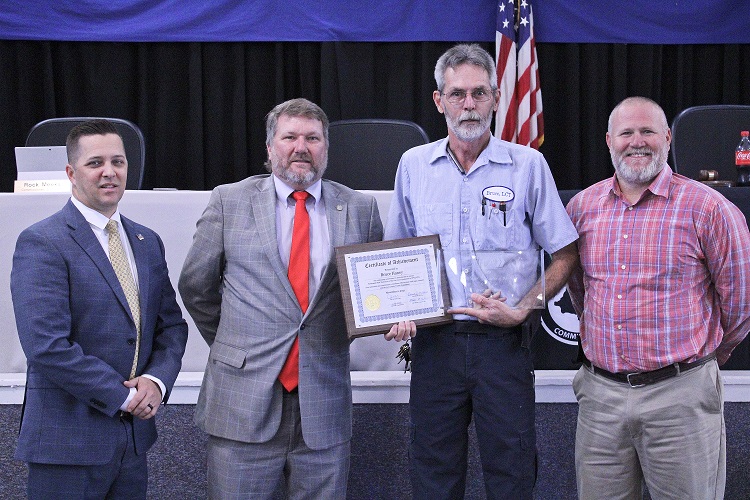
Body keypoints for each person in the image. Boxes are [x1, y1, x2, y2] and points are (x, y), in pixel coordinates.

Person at [384, 44, 579, 499]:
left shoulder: (527, 165)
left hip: (503, 346)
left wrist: (524, 309)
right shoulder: (414, 165)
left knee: (512, 474)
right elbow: (394, 256)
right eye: (457, 95)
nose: (468, 105)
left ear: (496, 98)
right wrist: (399, 309)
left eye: (479, 93)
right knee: (433, 476)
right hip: (435, 345)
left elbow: (566, 253)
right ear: (439, 101)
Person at [179, 98, 383, 499]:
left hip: (322, 406)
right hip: (243, 399)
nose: (301, 147)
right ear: (270, 147)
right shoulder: (229, 201)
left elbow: (369, 294)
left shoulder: (360, 208)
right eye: (289, 137)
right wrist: (236, 340)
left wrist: (394, 316)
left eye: (312, 138)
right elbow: (195, 287)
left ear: (326, 147)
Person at [566, 96, 750, 499]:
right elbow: (579, 291)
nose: (637, 141)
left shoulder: (709, 208)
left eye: (647, 131)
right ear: (608, 141)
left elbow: (741, 302)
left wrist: (710, 357)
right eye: (626, 132)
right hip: (601, 401)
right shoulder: (581, 208)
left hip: (680, 399)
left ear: (667, 137)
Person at [10, 119, 188, 499]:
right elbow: (45, 345)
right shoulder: (43, 241)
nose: (110, 172)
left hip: (132, 442)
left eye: (118, 161)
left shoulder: (146, 241)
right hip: (67, 445)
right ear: (71, 173)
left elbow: (171, 327)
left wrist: (156, 383)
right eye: (95, 163)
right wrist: (125, 397)